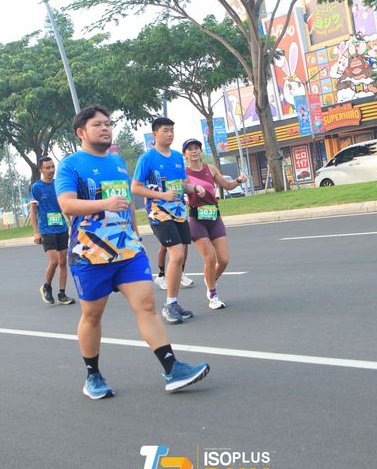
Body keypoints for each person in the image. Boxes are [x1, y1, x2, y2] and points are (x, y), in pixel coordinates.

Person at [55, 105, 209, 399]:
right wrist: (104, 204)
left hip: (127, 250)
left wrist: (136, 235)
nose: (105, 128)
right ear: (81, 132)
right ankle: (93, 376)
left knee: (147, 306)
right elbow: (67, 205)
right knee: (92, 316)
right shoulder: (71, 165)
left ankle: (172, 369)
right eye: (98, 124)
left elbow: (125, 203)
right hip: (91, 254)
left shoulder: (117, 162)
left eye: (108, 123)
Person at [132, 117, 205, 325]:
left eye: (172, 130)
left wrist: (195, 188)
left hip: (179, 212)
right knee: (177, 254)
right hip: (159, 214)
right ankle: (169, 305)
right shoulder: (147, 158)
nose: (170, 134)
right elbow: (135, 187)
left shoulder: (176, 157)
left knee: (182, 256)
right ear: (155, 134)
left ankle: (174, 302)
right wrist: (162, 196)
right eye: (166, 130)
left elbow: (182, 185)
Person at [182, 138, 247, 310]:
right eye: (190, 149)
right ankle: (212, 294)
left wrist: (238, 180)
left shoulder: (210, 169)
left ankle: (210, 279)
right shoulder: (183, 172)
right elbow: (181, 189)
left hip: (214, 216)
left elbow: (227, 185)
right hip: (196, 219)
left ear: (201, 151)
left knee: (223, 259)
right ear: (185, 154)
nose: (194, 151)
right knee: (210, 258)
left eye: (196, 148)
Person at [29, 156, 75, 306]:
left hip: (61, 227)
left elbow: (65, 206)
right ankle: (46, 287)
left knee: (63, 261)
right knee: (54, 260)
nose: (51, 170)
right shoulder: (36, 187)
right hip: (46, 229)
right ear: (41, 170)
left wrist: (72, 223)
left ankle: (62, 294)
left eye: (53, 166)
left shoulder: (58, 185)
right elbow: (33, 211)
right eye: (47, 168)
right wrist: (36, 232)